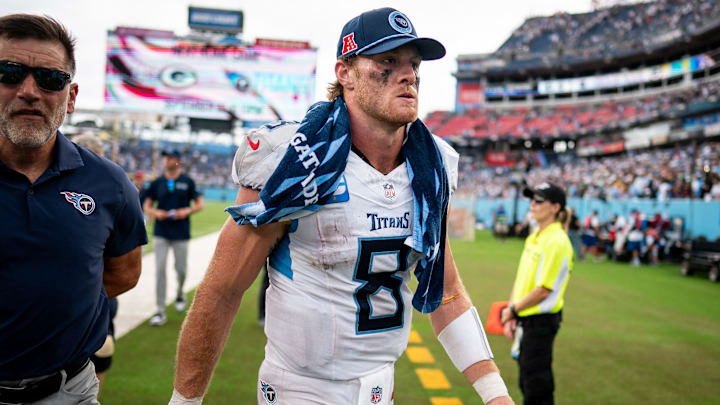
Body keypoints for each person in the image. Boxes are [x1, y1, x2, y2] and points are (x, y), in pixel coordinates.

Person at [170, 8, 514, 405]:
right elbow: (223, 290)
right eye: (387, 61)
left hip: (379, 389)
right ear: (345, 72)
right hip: (297, 389)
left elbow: (446, 292)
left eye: (414, 64)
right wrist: (185, 401)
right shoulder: (292, 159)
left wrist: (495, 395)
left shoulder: (432, 164)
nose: (409, 75)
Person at [0, 13, 146, 404]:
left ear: (72, 97)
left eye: (50, 79)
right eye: (9, 73)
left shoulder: (111, 185)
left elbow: (124, 274)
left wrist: (56, 301)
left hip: (67, 392)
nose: (29, 90)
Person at [500, 183, 573, 405]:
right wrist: (513, 311)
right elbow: (522, 279)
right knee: (527, 382)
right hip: (525, 318)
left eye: (539, 200)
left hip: (540, 322)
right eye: (531, 199)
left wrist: (512, 310)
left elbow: (543, 290)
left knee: (537, 388)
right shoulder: (535, 236)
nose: (532, 204)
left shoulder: (557, 241)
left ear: (555, 207)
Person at [72, 133, 120, 397]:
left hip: (95, 287)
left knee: (101, 348)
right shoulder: (111, 186)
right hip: (97, 286)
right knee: (100, 348)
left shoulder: (112, 188)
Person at [144, 149, 204, 326]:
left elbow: (200, 204)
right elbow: (147, 206)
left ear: (177, 161)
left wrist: (186, 211)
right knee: (160, 270)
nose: (166, 161)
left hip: (181, 233)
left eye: (170, 158)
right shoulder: (157, 183)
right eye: (165, 158)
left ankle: (179, 292)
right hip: (161, 232)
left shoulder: (187, 182)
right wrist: (156, 212)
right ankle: (160, 311)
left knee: (181, 270)